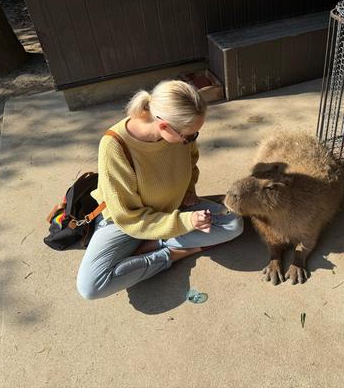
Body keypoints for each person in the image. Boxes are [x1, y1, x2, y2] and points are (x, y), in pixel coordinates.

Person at [76, 80, 243, 300]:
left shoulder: (179, 133)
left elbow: (191, 164)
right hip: (126, 223)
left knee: (234, 224)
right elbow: (127, 216)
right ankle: (169, 253)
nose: (191, 140)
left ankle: (157, 242)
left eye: (195, 134)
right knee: (91, 286)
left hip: (173, 208)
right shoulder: (114, 146)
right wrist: (186, 223)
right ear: (164, 126)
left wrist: (187, 192)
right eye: (189, 136)